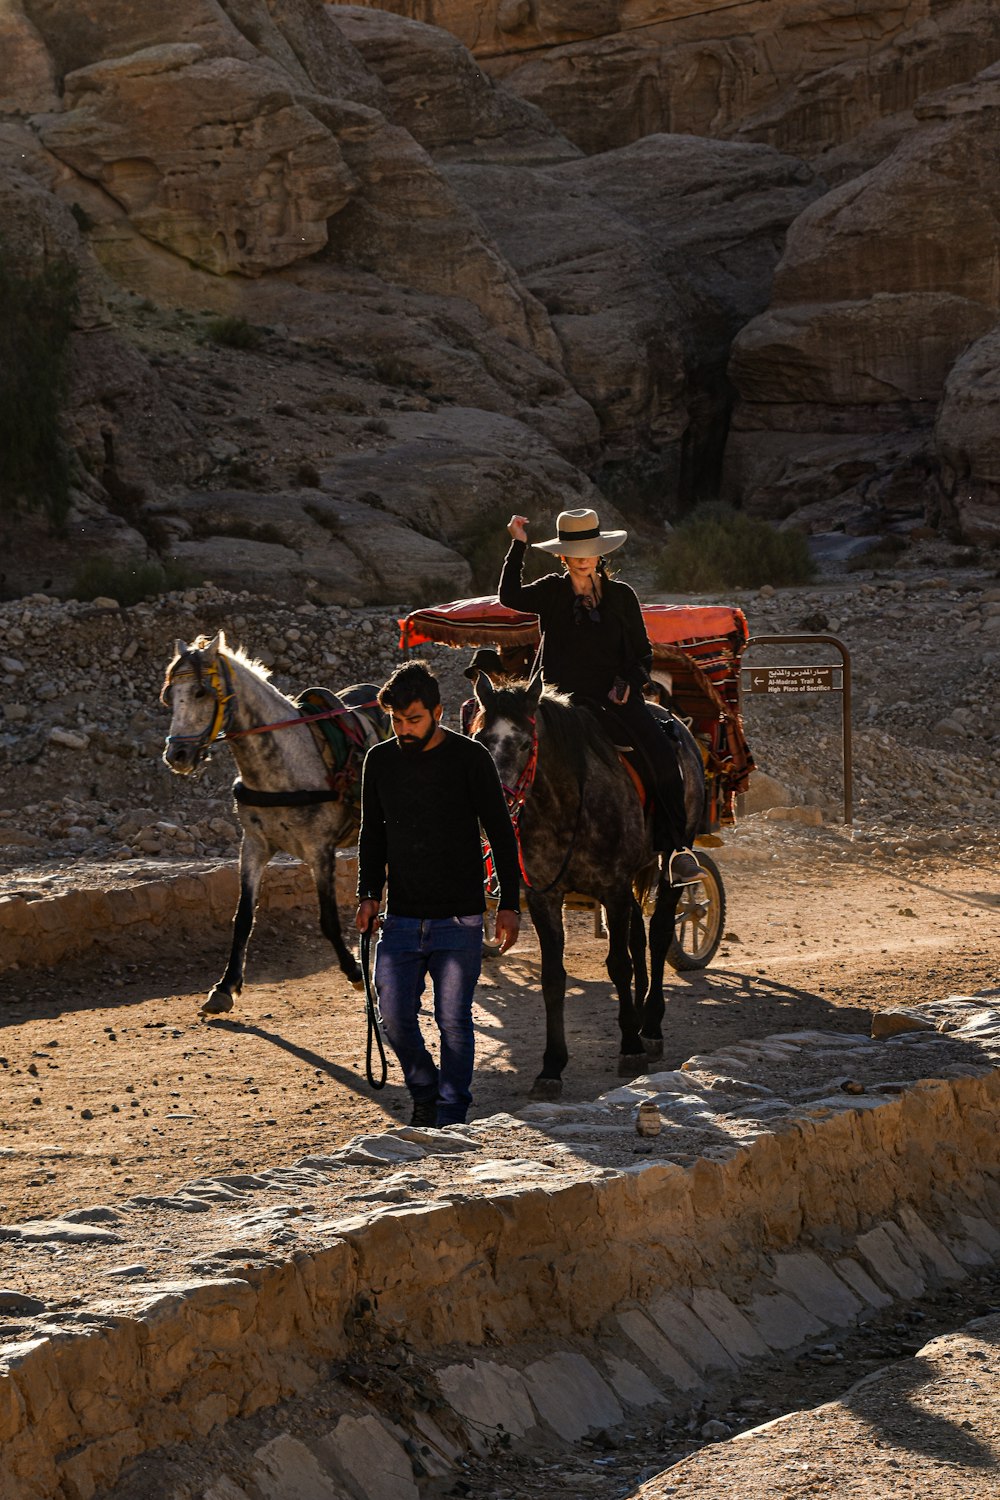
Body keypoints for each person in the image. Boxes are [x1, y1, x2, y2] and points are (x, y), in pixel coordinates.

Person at [498, 507, 703, 886]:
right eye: (574, 553)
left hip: (615, 700)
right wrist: (517, 546)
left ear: (599, 553)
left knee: (660, 755)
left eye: (589, 551)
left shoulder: (622, 596)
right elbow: (509, 595)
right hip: (562, 706)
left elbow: (642, 653)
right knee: (509, 755)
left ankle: (676, 850)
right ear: (563, 556)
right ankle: (509, 852)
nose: (582, 559)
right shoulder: (551, 592)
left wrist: (627, 682)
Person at [355, 660, 521, 1128]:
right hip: (402, 918)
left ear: (438, 712)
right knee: (394, 1019)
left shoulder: (471, 760)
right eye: (397, 721)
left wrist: (509, 903)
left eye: (414, 720)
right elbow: (372, 834)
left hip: (459, 920)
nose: (404, 730)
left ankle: (450, 1111)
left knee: (453, 1021)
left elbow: (501, 833)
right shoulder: (380, 761)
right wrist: (368, 892)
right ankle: (425, 1088)